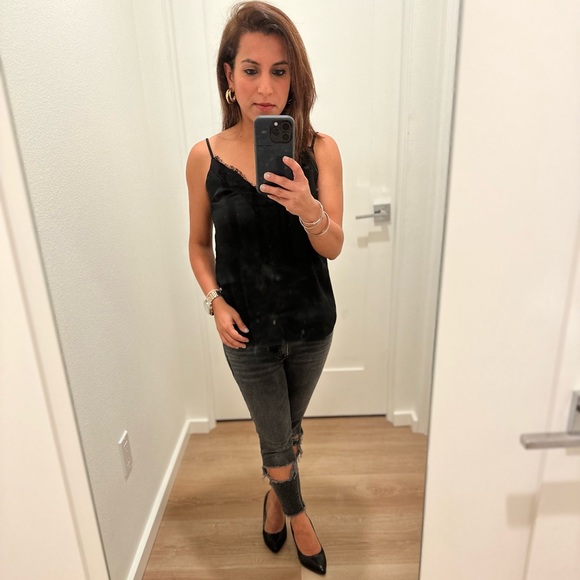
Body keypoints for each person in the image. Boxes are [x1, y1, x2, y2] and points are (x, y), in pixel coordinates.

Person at [186, 1, 343, 575]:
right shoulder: (203, 157)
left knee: (288, 431)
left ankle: (275, 501)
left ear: (295, 77)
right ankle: (298, 517)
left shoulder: (319, 150)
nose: (265, 87)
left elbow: (333, 245)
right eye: (251, 70)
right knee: (275, 437)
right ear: (229, 75)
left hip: (311, 325)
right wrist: (215, 302)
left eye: (280, 71)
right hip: (246, 331)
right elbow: (198, 245)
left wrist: (307, 207)